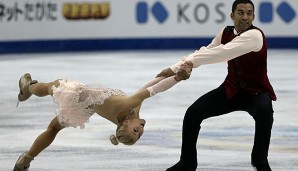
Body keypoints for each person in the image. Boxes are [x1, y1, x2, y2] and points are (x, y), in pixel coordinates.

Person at [157, 0, 276, 171]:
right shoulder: (226, 32)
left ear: (254, 16)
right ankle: (187, 162)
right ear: (232, 15)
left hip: (256, 94)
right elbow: (207, 50)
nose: (245, 17)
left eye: (249, 13)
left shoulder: (255, 36)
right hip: (231, 90)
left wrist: (181, 65)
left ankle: (259, 160)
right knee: (192, 114)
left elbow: (220, 53)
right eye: (241, 12)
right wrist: (180, 66)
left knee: (265, 114)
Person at [13, 62, 192, 171]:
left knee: (49, 87)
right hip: (86, 108)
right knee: (53, 128)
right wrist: (173, 72)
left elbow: (154, 89)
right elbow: (152, 83)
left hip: (77, 95)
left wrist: (177, 78)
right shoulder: (133, 111)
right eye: (139, 133)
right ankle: (25, 160)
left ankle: (27, 88)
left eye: (135, 131)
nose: (141, 130)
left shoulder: (127, 106)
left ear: (126, 122)